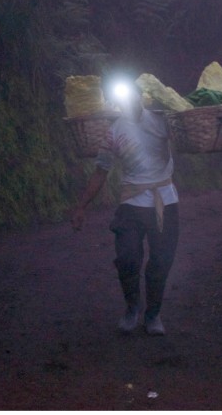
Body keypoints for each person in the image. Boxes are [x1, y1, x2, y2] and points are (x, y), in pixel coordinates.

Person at [71, 80, 178, 335]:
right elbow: (100, 172)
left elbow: (185, 136)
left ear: (142, 97)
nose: (130, 102)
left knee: (161, 261)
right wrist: (81, 207)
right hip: (131, 204)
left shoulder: (163, 121)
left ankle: (153, 315)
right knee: (127, 259)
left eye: (134, 96)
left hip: (165, 201)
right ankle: (132, 308)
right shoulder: (114, 132)